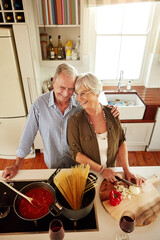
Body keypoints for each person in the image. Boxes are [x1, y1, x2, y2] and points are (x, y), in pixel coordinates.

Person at [2, 64, 119, 180]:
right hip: (53, 166)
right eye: (62, 87)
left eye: (71, 89)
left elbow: (95, 106)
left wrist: (109, 110)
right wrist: (16, 165)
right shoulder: (39, 105)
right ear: (53, 83)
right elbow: (27, 136)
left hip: (80, 166)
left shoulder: (79, 104)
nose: (66, 93)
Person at [67, 73, 144, 186]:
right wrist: (102, 170)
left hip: (110, 174)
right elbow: (76, 154)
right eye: (77, 94)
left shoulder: (112, 114)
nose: (78, 98)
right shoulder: (75, 121)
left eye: (83, 93)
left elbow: (121, 141)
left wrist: (127, 170)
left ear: (96, 92)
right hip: (87, 175)